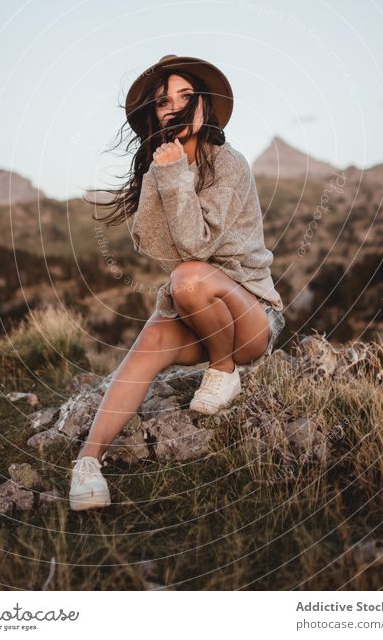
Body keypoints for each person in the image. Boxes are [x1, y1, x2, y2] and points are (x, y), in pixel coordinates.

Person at [69, 54, 285, 510]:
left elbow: (194, 252)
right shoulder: (159, 167)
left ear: (205, 105)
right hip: (198, 311)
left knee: (188, 279)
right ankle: (88, 463)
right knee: (152, 336)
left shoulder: (228, 164)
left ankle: (224, 372)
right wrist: (165, 174)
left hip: (251, 319)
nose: (174, 106)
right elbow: (156, 247)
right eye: (164, 100)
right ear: (154, 114)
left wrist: (174, 176)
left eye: (186, 96)